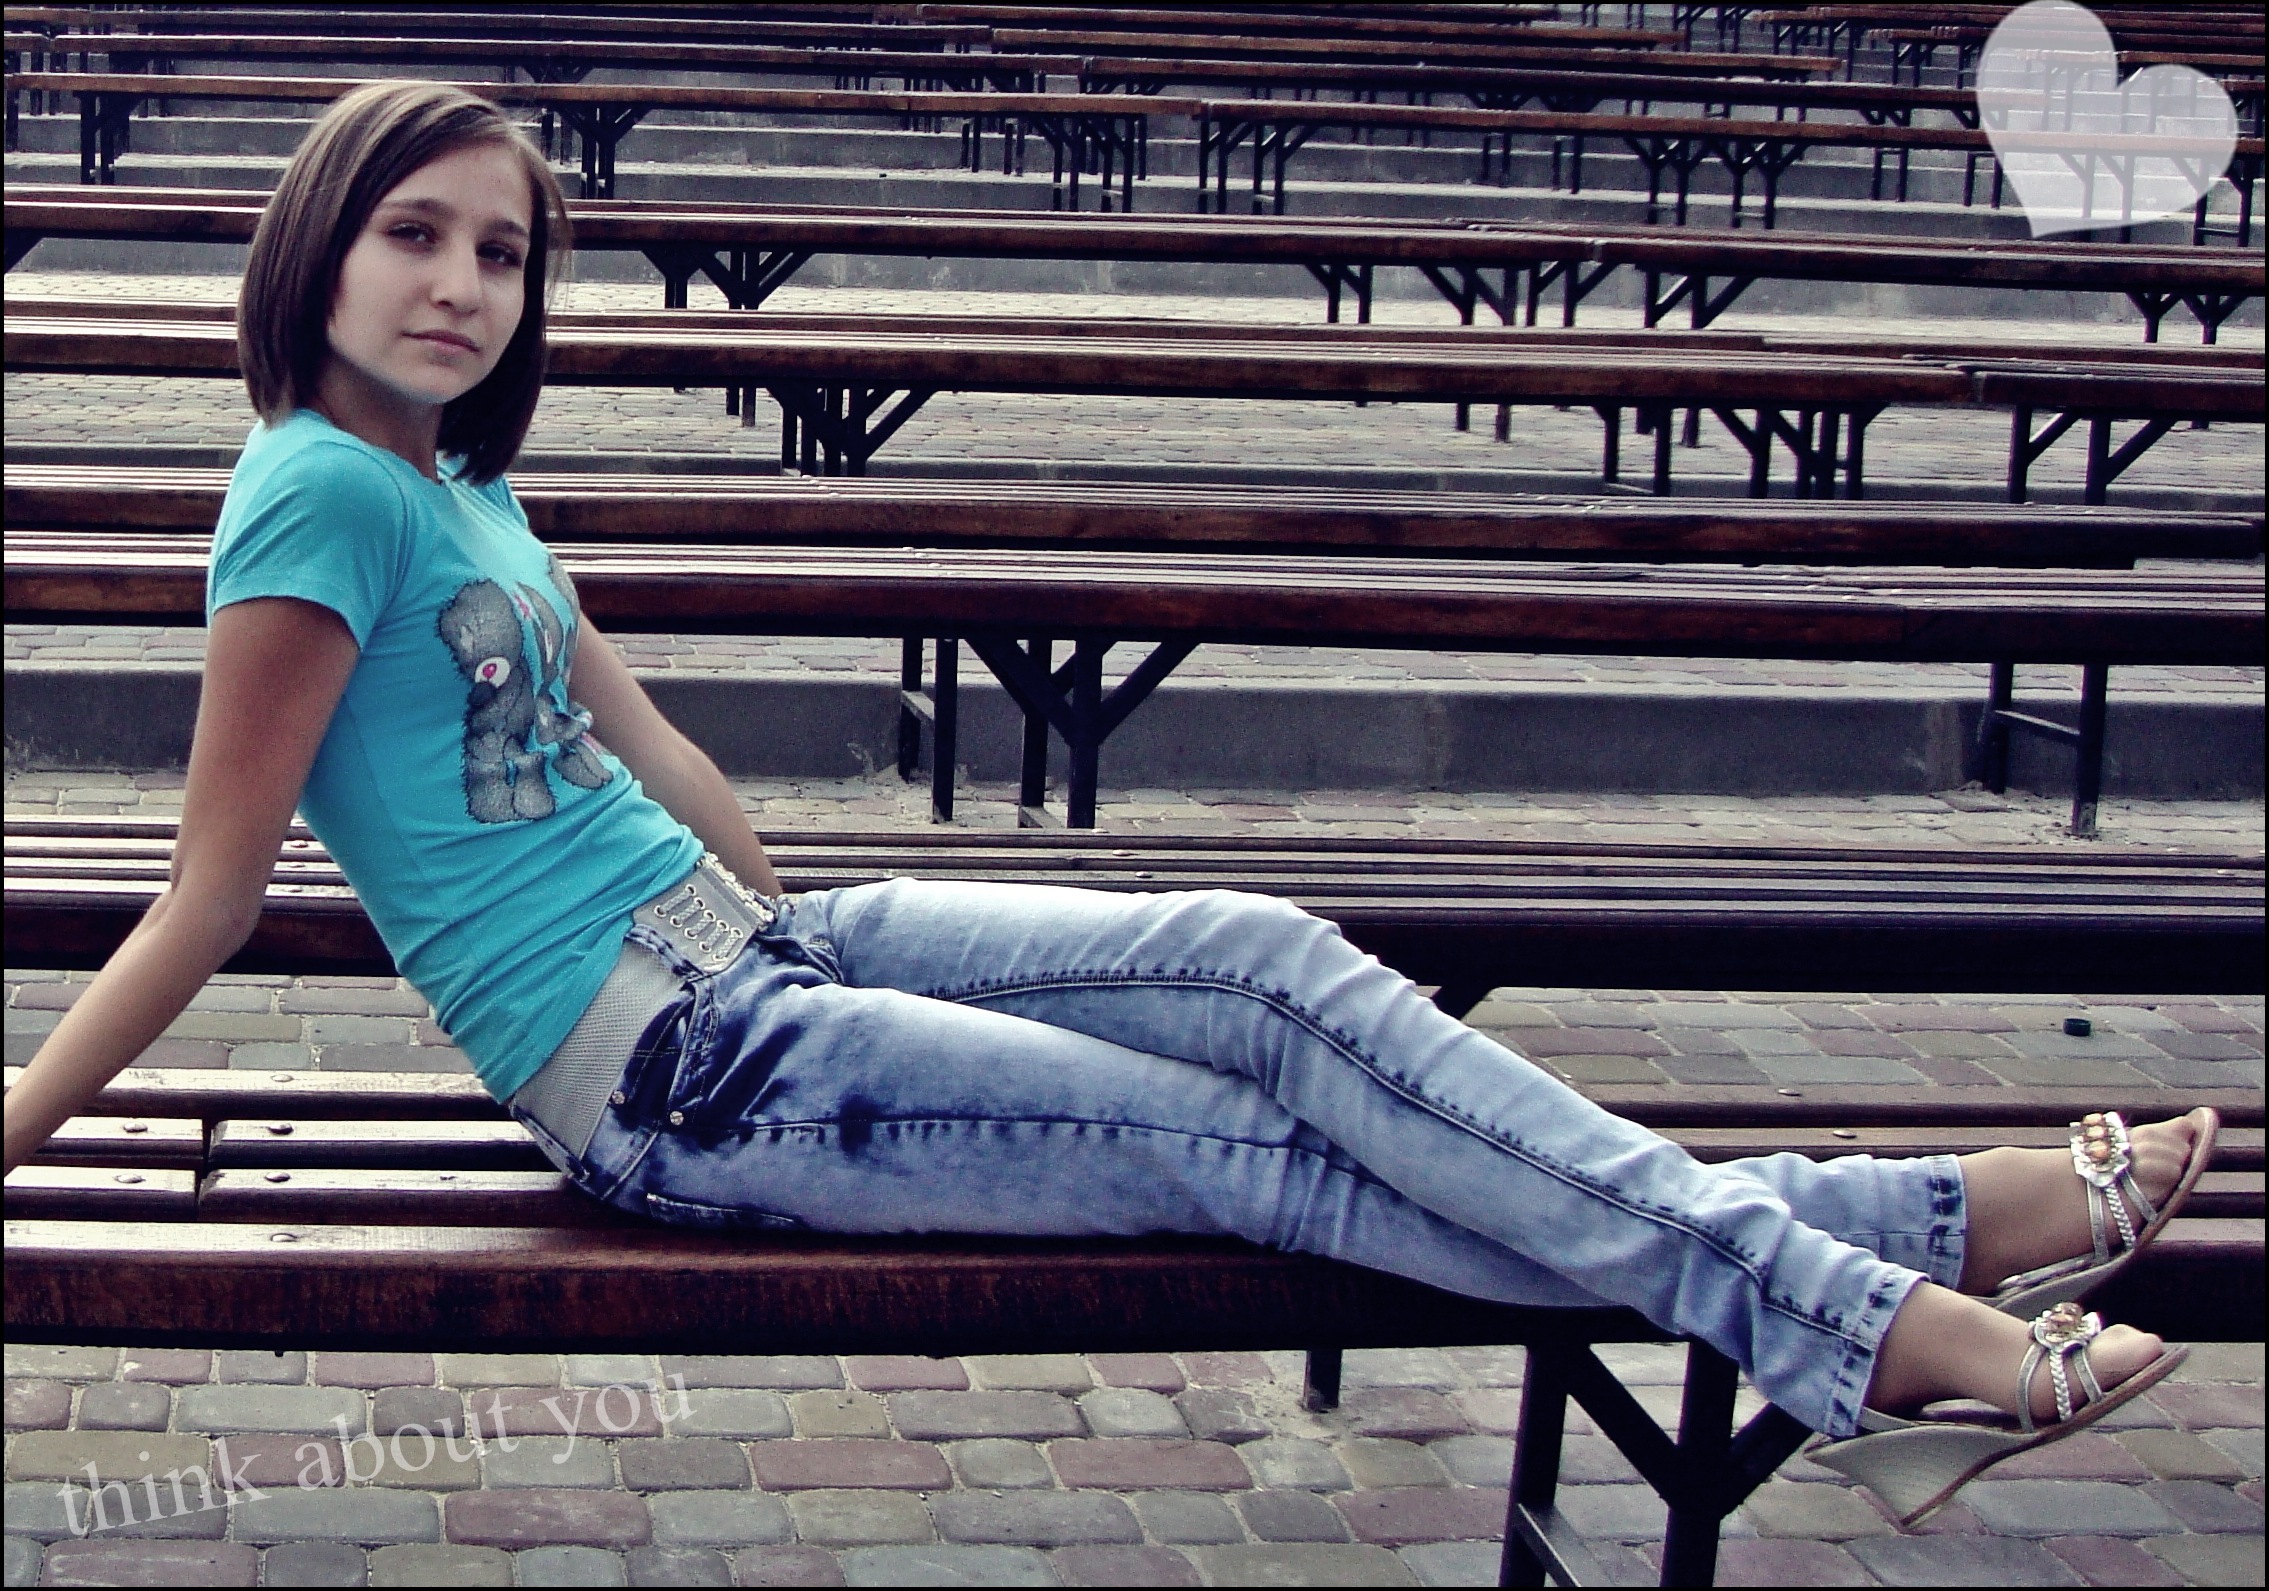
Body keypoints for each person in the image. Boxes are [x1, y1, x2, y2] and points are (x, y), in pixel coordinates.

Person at [1, 81, 2218, 1529]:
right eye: (417, 234)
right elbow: (210, 895)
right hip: (667, 1075)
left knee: (1257, 964)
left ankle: (1886, 1249)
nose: (464, 285)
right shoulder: (313, 496)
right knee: (1257, 1153)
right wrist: (11, 1129)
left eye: (502, 251)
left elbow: (648, 744)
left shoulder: (457, 484)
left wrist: (796, 929)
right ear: (317, 243)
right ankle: (1881, 1293)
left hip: (760, 963)